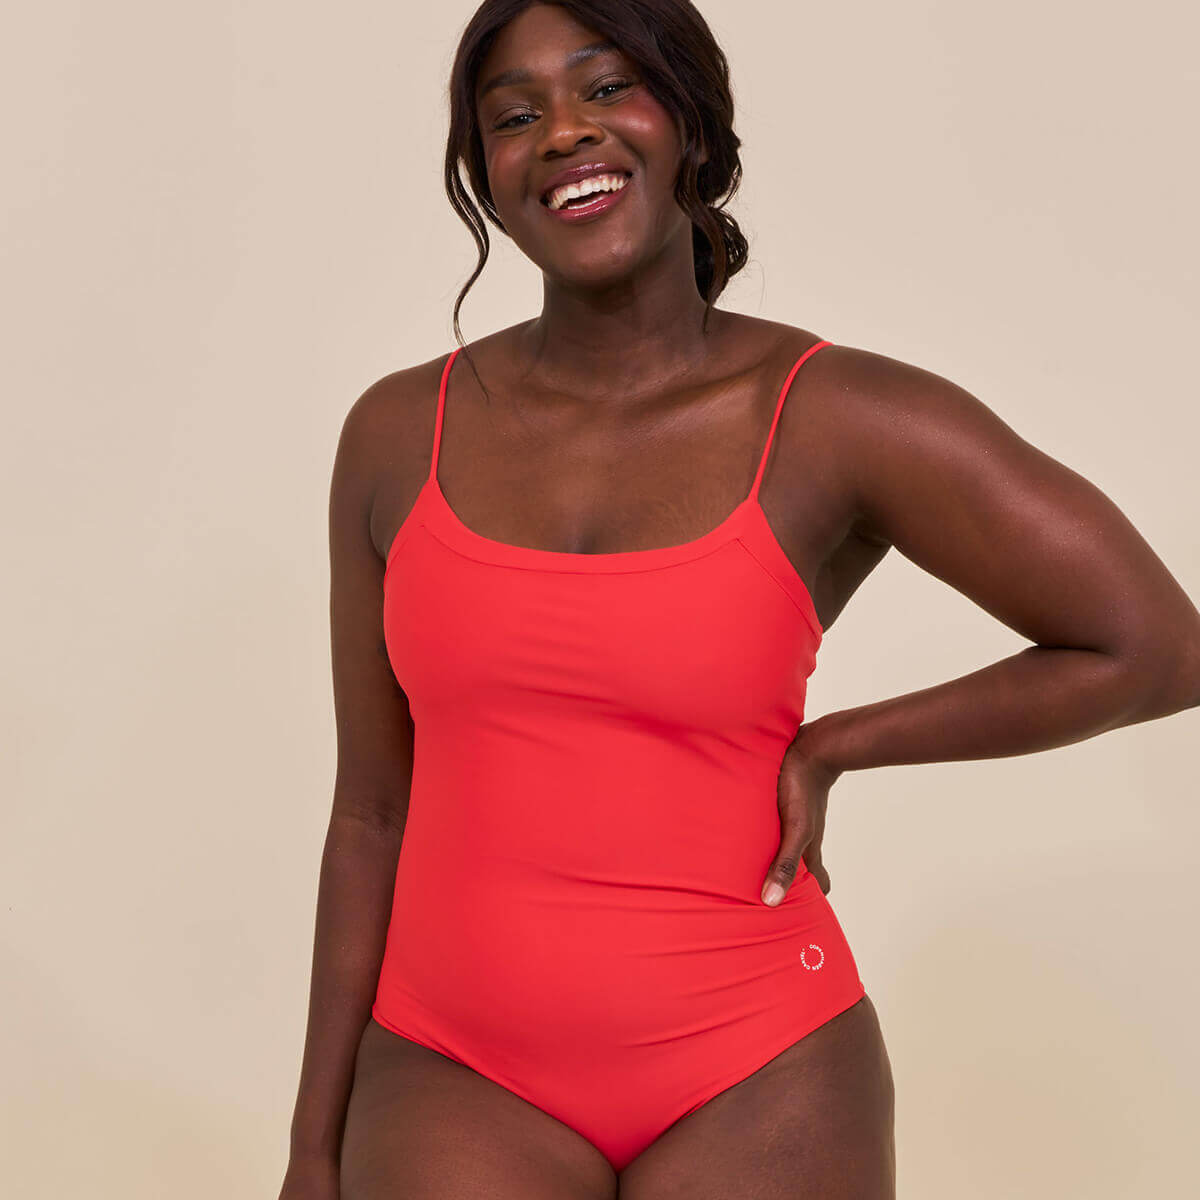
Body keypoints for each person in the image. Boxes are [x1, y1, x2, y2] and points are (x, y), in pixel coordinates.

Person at [279, 3, 1200, 1198]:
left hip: (758, 1060)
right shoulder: (398, 432)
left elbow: (1155, 646)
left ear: (692, 127)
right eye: (513, 116)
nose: (563, 131)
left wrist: (842, 742)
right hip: (453, 1064)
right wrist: (311, 1150)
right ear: (486, 179)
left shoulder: (831, 415)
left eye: (606, 88)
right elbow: (370, 813)